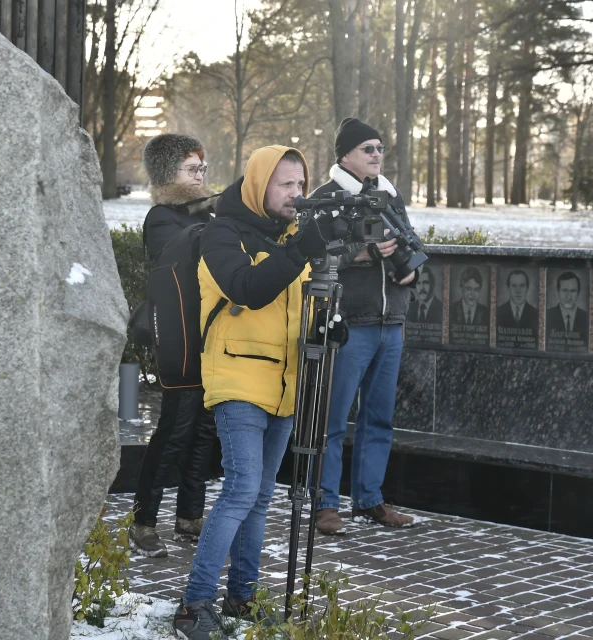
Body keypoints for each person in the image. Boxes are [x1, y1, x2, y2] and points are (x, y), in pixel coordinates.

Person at [172, 146, 329, 640]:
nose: (296, 194)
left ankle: (242, 599)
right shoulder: (223, 233)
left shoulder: (288, 238)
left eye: (301, 185)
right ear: (260, 184)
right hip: (237, 378)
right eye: (286, 184)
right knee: (241, 489)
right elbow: (247, 288)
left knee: (260, 496)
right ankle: (193, 606)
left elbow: (293, 312)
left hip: (284, 385)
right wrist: (301, 250)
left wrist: (328, 327)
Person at [312, 117, 417, 537]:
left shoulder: (389, 195)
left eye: (380, 149)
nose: (377, 155)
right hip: (348, 325)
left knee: (379, 419)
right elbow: (314, 258)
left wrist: (411, 273)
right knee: (332, 419)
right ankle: (325, 505)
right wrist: (362, 253)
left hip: (391, 323)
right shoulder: (325, 198)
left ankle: (370, 500)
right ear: (345, 155)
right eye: (367, 149)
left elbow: (408, 242)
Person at [129, 133, 218, 558]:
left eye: (202, 167)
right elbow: (177, 256)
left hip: (210, 334)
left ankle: (190, 516)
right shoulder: (162, 217)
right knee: (174, 430)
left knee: (204, 430)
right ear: (169, 173)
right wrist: (216, 218)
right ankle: (144, 520)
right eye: (191, 168)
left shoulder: (209, 214)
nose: (200, 174)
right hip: (179, 336)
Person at [546, 271, 589, 343]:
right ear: (558, 291)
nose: (568, 297)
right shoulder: (547, 316)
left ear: (578, 293)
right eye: (564, 290)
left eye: (573, 291)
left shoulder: (587, 318)